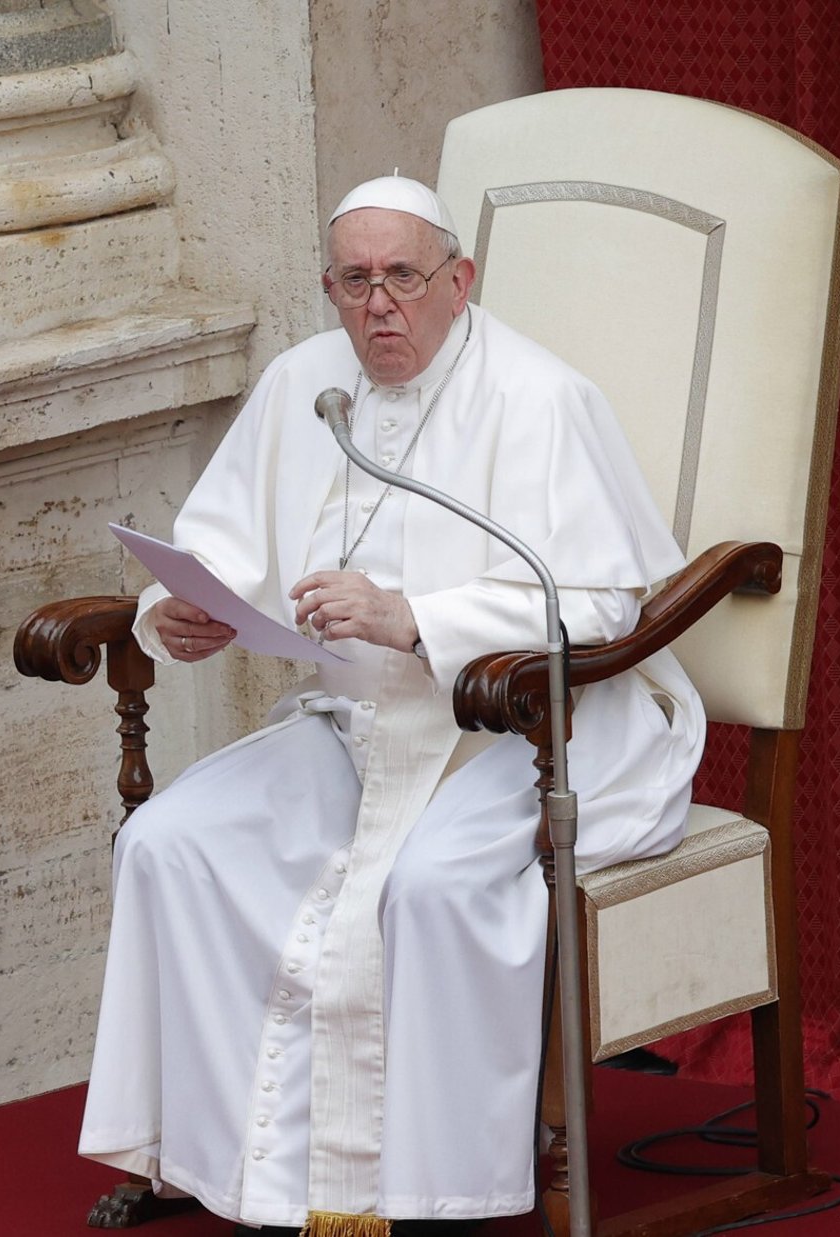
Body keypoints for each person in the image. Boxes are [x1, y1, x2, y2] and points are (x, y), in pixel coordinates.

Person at [78, 176, 705, 1236]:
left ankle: (425, 1190)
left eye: (404, 277)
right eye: (355, 281)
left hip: (519, 728)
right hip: (353, 725)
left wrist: (417, 615)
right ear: (329, 288)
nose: (379, 305)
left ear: (458, 281)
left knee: (425, 890)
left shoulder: (539, 399)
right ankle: (199, 1157)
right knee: (171, 842)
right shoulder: (302, 385)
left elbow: (603, 600)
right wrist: (174, 611)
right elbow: (223, 542)